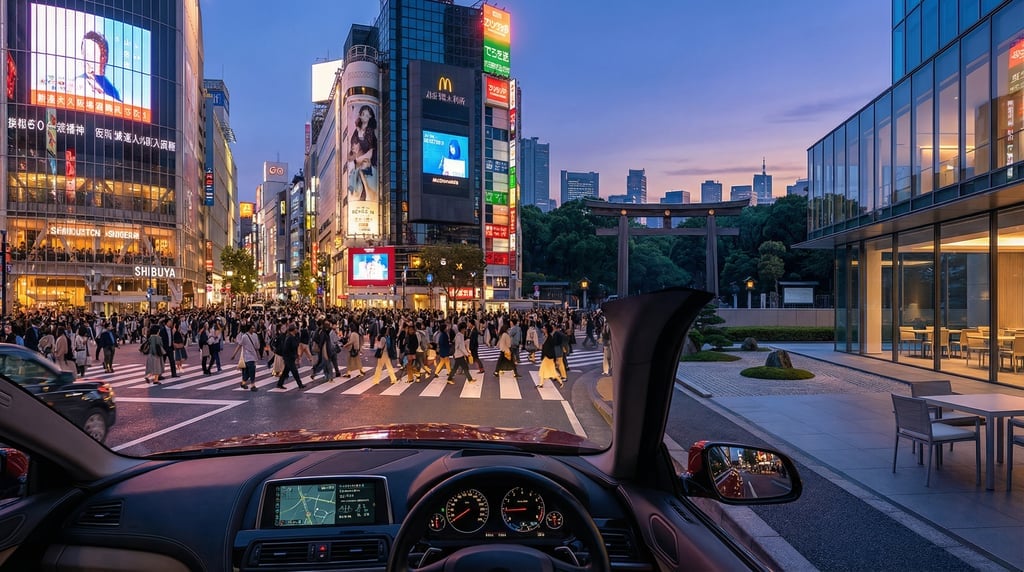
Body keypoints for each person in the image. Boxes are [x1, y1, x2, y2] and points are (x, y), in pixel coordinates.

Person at [75, 31, 121, 102]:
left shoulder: (112, 91)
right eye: (84, 54)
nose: (86, 61)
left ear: (104, 58)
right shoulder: (77, 83)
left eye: (92, 56)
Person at [231, 323, 261, 391]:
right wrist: (234, 354)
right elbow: (239, 345)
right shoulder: (244, 337)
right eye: (252, 328)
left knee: (247, 371)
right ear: (249, 329)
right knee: (252, 370)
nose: (253, 329)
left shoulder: (255, 335)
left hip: (252, 356)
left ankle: (243, 383)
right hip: (248, 356)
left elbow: (257, 346)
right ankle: (252, 385)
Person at [274, 324, 305, 389]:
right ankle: (300, 384)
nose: (297, 330)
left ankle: (279, 384)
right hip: (288, 357)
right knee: (294, 371)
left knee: (285, 372)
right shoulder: (289, 338)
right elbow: (286, 348)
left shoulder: (293, 336)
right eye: (296, 329)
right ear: (293, 330)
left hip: (291, 357)